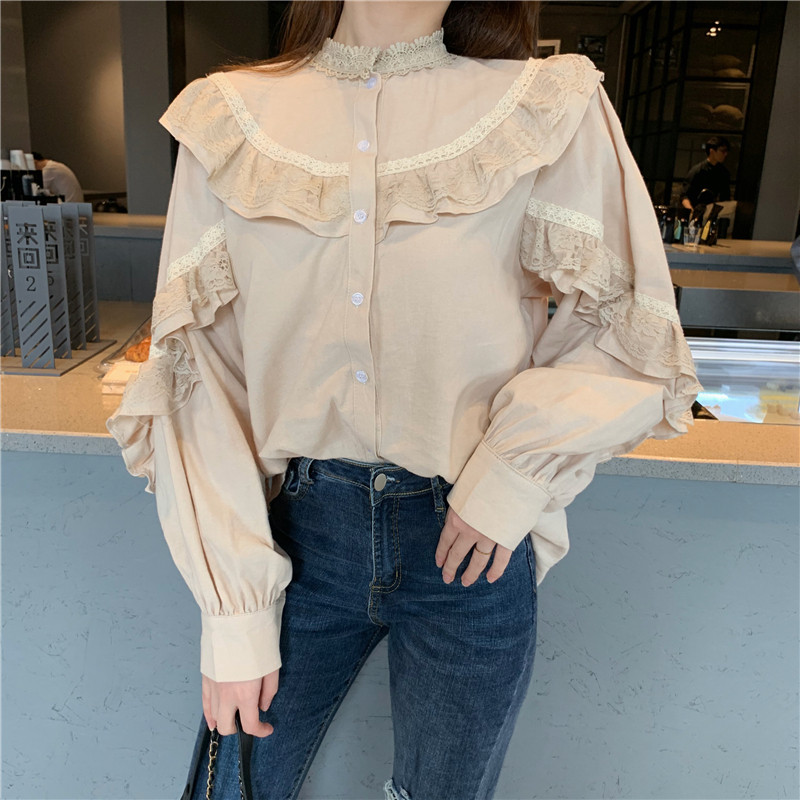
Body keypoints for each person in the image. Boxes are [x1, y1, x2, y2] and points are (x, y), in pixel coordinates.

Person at [105, 1, 703, 798]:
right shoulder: (231, 116)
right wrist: (234, 609)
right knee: (232, 790)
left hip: (469, 539)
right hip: (298, 536)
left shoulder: (545, 105)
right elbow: (201, 372)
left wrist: (511, 474)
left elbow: (629, 324)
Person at [679, 135, 731, 212]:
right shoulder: (698, 170)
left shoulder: (723, 173)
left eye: (726, 151)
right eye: (723, 151)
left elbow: (725, 198)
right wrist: (692, 212)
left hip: (713, 213)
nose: (725, 154)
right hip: (696, 210)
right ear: (712, 151)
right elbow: (684, 195)